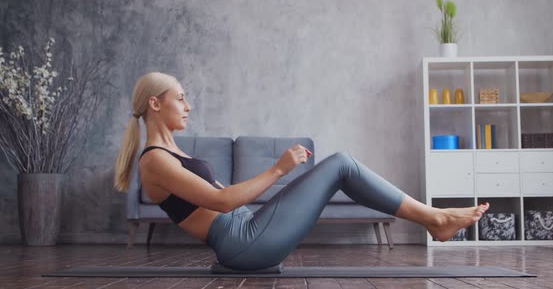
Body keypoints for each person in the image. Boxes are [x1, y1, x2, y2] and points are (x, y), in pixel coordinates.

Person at [114, 72, 489, 271]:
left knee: (341, 168)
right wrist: (279, 169)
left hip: (247, 231)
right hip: (243, 241)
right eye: (180, 97)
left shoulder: (169, 151)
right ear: (154, 103)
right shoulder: (154, 159)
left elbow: (221, 199)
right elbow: (222, 201)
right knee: (341, 164)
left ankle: (434, 219)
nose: (188, 105)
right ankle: (435, 219)